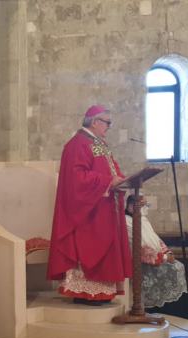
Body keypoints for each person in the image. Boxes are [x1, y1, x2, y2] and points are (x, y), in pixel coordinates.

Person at [46, 105, 133, 305]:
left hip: (103, 209)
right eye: (107, 122)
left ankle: (99, 292)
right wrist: (107, 181)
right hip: (87, 213)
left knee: (103, 248)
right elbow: (77, 178)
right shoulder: (77, 144)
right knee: (88, 248)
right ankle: (84, 292)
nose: (109, 127)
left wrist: (120, 180)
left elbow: (111, 171)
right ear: (94, 122)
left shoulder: (99, 144)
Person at [125, 195, 188, 322]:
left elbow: (156, 240)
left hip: (157, 259)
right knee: (177, 269)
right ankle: (180, 310)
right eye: (145, 206)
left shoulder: (143, 220)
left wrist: (168, 252)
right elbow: (139, 248)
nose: (147, 209)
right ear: (132, 207)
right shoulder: (127, 221)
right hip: (144, 265)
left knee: (179, 266)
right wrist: (165, 257)